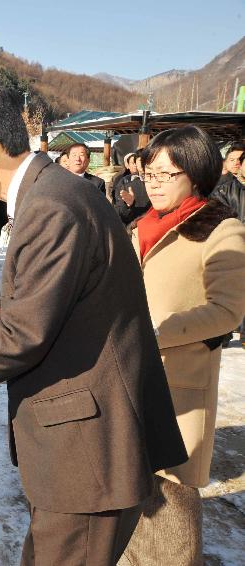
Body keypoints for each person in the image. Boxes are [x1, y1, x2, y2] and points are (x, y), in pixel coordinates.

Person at [0, 81, 187, 565]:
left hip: (88, 451)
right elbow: (28, 306)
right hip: (80, 447)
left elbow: (24, 334)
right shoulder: (48, 194)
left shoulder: (52, 205)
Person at [119, 126, 245, 565]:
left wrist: (158, 330)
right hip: (129, 377)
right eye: (149, 173)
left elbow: (227, 310)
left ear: (195, 174)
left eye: (166, 175)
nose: (153, 184)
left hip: (180, 383)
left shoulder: (220, 228)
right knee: (132, 499)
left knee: (171, 507)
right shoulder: (139, 228)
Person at [114, 153, 151, 226]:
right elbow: (120, 213)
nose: (143, 163)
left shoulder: (163, 181)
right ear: (136, 164)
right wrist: (128, 205)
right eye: (140, 160)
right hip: (133, 228)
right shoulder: (126, 182)